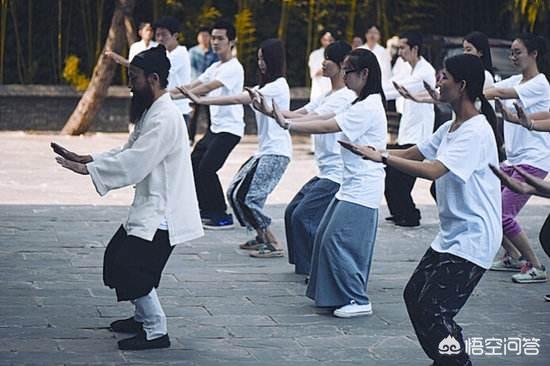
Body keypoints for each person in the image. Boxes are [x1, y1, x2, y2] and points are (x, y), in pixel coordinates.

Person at [342, 53, 502, 366]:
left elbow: (432, 170)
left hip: (475, 238)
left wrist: (381, 159)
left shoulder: (475, 131)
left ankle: (455, 360)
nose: (438, 82)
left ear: (462, 85)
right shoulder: (452, 127)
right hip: (453, 235)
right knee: (414, 295)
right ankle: (449, 355)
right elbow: (416, 152)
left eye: (444, 76)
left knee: (434, 308)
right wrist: (377, 151)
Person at [50, 45, 203, 351]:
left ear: (154, 78)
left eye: (135, 78)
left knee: (132, 267)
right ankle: (140, 316)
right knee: (116, 259)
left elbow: (136, 162)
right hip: (150, 207)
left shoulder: (166, 118)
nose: (131, 85)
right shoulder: (154, 110)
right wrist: (89, 158)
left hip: (163, 213)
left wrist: (86, 171)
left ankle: (156, 330)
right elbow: (128, 150)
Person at [268, 48, 387, 318]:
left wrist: (287, 125)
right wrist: (286, 118)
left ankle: (358, 299)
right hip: (351, 183)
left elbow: (327, 126)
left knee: (338, 240)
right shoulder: (359, 102)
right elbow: (319, 118)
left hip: (363, 187)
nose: (344, 76)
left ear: (365, 73)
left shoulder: (368, 106)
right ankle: (333, 295)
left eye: (349, 71)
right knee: (324, 235)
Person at [179, 39, 291, 257]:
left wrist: (202, 101)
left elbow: (236, 98)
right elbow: (240, 96)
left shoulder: (277, 87)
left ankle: (273, 244)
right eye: (259, 58)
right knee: (234, 193)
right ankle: (260, 237)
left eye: (263, 59)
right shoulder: (265, 87)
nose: (260, 63)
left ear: (273, 61)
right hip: (265, 152)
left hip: (277, 153)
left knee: (250, 197)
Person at [484, 33, 550, 283]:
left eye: (517, 52)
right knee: (486, 206)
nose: (512, 57)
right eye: (511, 52)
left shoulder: (539, 84)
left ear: (534, 54)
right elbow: (493, 91)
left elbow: (499, 92)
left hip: (534, 160)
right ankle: (511, 255)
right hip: (513, 160)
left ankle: (536, 265)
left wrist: (462, 84)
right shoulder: (517, 80)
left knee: (502, 214)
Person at [170, 20, 244, 230]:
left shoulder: (233, 67)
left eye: (220, 38)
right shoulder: (215, 66)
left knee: (207, 168)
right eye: (213, 38)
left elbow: (207, 88)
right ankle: (206, 210)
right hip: (215, 129)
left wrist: (182, 95)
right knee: (193, 163)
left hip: (230, 130)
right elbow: (193, 85)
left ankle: (221, 215)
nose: (215, 42)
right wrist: (164, 95)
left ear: (231, 41)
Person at [384, 31, 436, 227]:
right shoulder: (410, 70)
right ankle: (399, 212)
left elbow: (395, 89)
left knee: (401, 178)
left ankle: (410, 215)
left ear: (415, 49)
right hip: (407, 131)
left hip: (418, 135)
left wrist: (369, 89)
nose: (400, 52)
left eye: (403, 48)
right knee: (392, 173)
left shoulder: (425, 72)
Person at [490, 157, 550, 303]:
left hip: (532, 159)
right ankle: (515, 256)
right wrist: (531, 189)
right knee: (547, 238)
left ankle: (535, 266)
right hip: (516, 160)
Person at [153, 16, 192, 126]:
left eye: (164, 35)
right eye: (157, 35)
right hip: (165, 109)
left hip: (178, 111)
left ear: (175, 36)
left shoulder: (180, 53)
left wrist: (124, 62)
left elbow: (152, 69)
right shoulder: (165, 54)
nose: (160, 39)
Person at [187, 26, 219, 144]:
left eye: (206, 36)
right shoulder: (192, 52)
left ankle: (210, 137)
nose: (204, 38)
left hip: (210, 88)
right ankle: (190, 137)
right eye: (202, 35)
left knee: (210, 114)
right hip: (196, 87)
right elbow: (191, 70)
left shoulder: (214, 53)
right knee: (193, 115)